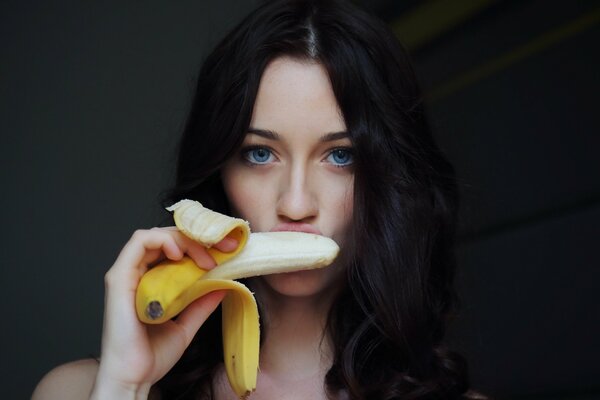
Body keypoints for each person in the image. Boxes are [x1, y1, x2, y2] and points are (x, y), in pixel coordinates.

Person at [33, 0, 483, 398]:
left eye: (341, 156)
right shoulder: (73, 392)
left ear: (391, 179)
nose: (295, 204)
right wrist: (125, 387)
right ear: (218, 172)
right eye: (260, 153)